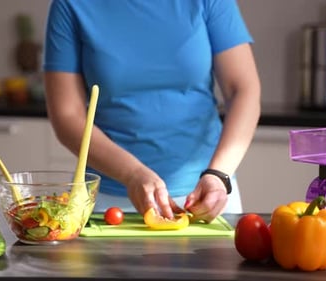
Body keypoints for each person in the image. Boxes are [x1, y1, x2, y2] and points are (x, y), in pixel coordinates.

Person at [43, 0, 261, 223]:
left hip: (208, 193)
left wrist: (218, 174)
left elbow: (244, 90)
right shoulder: (71, 5)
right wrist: (131, 173)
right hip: (108, 200)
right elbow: (67, 116)